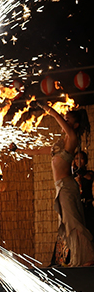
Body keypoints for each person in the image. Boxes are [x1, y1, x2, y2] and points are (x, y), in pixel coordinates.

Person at [19, 105, 94, 266]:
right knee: (66, 225)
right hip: (60, 187)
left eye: (68, 120)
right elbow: (38, 151)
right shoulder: (60, 145)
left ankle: (88, 258)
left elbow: (61, 121)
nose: (65, 121)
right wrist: (19, 150)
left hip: (67, 187)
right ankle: (73, 259)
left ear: (75, 125)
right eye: (64, 119)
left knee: (73, 223)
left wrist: (50, 110)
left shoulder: (72, 138)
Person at [73, 151, 94, 238]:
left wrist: (80, 171)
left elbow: (89, 177)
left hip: (87, 207)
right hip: (76, 207)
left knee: (91, 230)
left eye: (81, 159)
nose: (79, 161)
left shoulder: (89, 173)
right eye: (77, 158)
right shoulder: (71, 175)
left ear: (85, 161)